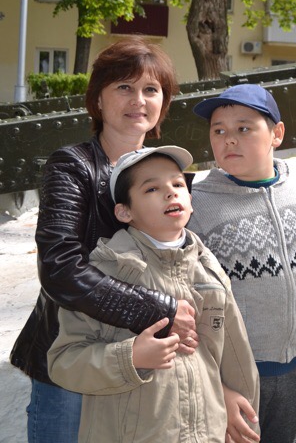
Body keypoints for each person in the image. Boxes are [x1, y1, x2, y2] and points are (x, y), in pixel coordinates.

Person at [9, 37, 198, 443]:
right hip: (74, 361)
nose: (138, 100)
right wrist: (161, 310)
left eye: (151, 89)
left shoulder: (169, 175)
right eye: (124, 87)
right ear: (97, 99)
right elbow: (60, 270)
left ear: (163, 104)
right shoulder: (72, 167)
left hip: (144, 358)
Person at [47, 146, 260, 442]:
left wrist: (241, 412)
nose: (171, 193)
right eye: (151, 188)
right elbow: (64, 363)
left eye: (177, 184)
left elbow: (236, 357)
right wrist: (131, 357)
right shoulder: (106, 271)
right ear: (124, 211)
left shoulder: (209, 269)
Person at [189, 83, 296, 443]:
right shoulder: (195, 208)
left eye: (244, 128)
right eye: (219, 130)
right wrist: (216, 385)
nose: (230, 140)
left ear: (277, 134)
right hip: (232, 379)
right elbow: (186, 304)